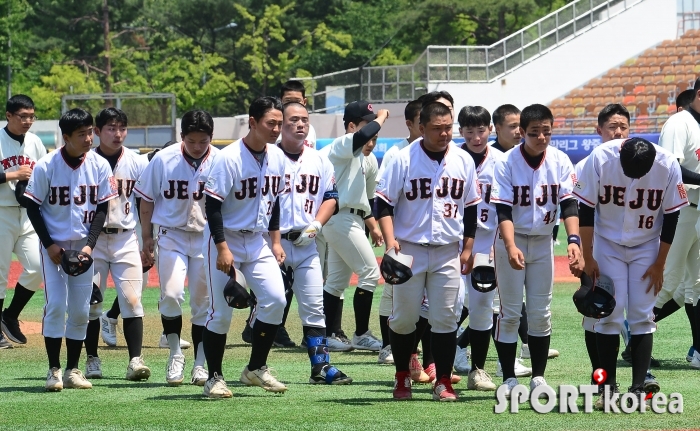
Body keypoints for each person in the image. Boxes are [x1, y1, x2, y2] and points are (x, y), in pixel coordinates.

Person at [375, 101, 480, 401]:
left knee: (446, 317)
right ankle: (401, 377)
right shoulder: (403, 158)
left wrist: (469, 247)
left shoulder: (462, 160)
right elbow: (383, 203)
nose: (444, 133)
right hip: (409, 248)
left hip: (448, 249)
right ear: (421, 128)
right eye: (437, 128)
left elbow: (471, 208)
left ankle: (443, 382)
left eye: (448, 127)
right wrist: (389, 238)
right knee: (405, 319)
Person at [574, 137, 686, 408]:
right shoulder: (600, 157)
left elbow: (672, 216)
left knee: (641, 315)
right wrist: (588, 256)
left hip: (647, 244)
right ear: (621, 152)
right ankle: (607, 389)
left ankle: (638, 389)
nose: (635, 177)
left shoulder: (668, 164)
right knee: (609, 311)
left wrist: (660, 263)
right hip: (607, 242)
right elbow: (586, 208)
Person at [490, 104, 583, 398]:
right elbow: (502, 210)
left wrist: (574, 239)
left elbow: (569, 204)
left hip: (543, 241)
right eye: (534, 132)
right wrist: (509, 245)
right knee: (510, 313)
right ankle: (508, 377)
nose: (541, 137)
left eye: (546, 131)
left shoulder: (560, 160)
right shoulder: (506, 163)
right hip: (511, 239)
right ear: (522, 132)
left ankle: (539, 377)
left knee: (542, 312)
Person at [200, 96, 288, 398]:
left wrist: (275, 241)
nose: (276, 128)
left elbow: (274, 202)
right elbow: (212, 206)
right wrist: (223, 248)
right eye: (270, 123)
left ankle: (255, 368)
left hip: (258, 239)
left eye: (279, 123)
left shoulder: (277, 157)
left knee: (276, 300)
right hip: (225, 238)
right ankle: (214, 377)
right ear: (253, 123)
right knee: (221, 313)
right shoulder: (229, 157)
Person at [24, 108, 118, 391]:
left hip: (83, 247)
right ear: (66, 137)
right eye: (82, 134)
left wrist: (89, 246)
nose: (89, 138)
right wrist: (49, 244)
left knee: (80, 310)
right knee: (55, 305)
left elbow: (102, 208)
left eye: (91, 132)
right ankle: (53, 370)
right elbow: (32, 206)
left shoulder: (99, 165)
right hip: (54, 246)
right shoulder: (46, 165)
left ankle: (73, 370)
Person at [134, 110, 218, 386]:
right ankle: (175, 354)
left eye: (203, 141)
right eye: (192, 140)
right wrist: (146, 236)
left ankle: (200, 363)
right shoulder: (164, 158)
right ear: (182, 137)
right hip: (171, 235)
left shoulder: (219, 160)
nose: (197, 146)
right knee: (170, 295)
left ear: (211, 137)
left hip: (205, 236)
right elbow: (145, 200)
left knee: (203, 302)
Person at [273, 101, 352, 384]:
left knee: (314, 305)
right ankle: (257, 364)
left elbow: (331, 197)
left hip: (306, 243)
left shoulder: (319, 159)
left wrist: (317, 224)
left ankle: (320, 367)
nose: (300, 124)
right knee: (270, 305)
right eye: (293, 119)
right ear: (280, 125)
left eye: (304, 119)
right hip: (273, 243)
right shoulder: (268, 157)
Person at [82, 107, 150, 381]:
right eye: (110, 128)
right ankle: (91, 359)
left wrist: (148, 241)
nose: (117, 133)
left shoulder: (136, 161)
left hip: (125, 237)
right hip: (92, 241)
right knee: (90, 304)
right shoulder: (85, 160)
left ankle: (135, 360)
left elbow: (146, 202)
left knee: (133, 301)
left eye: (121, 128)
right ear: (97, 132)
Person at [316, 101, 388, 352]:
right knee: (369, 273)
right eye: (366, 128)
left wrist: (374, 225)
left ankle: (326, 336)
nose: (371, 139)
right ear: (351, 126)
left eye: (375, 136)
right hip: (339, 218)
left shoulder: (368, 160)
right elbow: (363, 136)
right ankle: (361, 333)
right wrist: (381, 117)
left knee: (336, 281)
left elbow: (368, 200)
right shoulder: (341, 145)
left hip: (355, 220)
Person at [454, 105, 504, 391]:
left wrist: (501, 243)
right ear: (460, 132)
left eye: (481, 130)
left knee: (484, 307)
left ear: (490, 129)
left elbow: (505, 209)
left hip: (486, 242)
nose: (476, 136)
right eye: (469, 131)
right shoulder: (452, 159)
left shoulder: (501, 161)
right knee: (444, 306)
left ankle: (478, 370)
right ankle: (432, 363)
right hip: (451, 241)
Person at [652, 78, 700, 370]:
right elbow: (670, 167)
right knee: (669, 282)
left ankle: (698, 351)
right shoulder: (678, 123)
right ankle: (635, 331)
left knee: (695, 286)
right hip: (679, 210)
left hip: (699, 211)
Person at [376, 99, 423, 365]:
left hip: (429, 239)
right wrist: (389, 236)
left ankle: (418, 353)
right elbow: (384, 198)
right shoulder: (397, 153)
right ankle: (387, 346)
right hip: (402, 236)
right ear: (412, 124)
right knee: (393, 292)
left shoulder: (445, 153)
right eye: (421, 122)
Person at [0, 95, 46, 347]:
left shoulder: (36, 142)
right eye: (23, 116)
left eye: (32, 116)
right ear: (9, 115)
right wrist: (12, 174)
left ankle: (10, 315)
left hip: (27, 214)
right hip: (1, 212)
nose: (28, 121)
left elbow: (44, 173)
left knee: (37, 267)